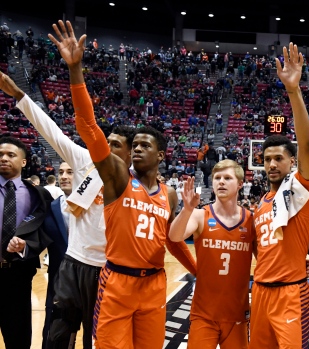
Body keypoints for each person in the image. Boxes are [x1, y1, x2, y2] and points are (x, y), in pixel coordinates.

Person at [0, 67, 196, 348]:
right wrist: (21, 96)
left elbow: (169, 237)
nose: (105, 146)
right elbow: (53, 131)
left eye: (115, 144)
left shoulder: (142, 185)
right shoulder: (85, 159)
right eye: (108, 141)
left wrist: (196, 269)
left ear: (129, 153)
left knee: (100, 340)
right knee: (58, 335)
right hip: (75, 262)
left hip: (111, 271)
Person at [48, 20, 195, 348]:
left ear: (161, 156)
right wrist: (75, 70)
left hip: (154, 285)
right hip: (116, 282)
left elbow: (172, 242)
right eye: (136, 144)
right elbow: (88, 126)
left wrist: (198, 270)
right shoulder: (115, 178)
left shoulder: (168, 194)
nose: (139, 148)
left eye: (146, 145)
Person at [249, 42, 309, 349]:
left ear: (291, 162)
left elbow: (306, 143)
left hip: (291, 293)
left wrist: (293, 91)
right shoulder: (258, 205)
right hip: (260, 291)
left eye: (279, 158)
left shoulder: (300, 191)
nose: (272, 164)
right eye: (267, 159)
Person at [169, 161, 255, 349]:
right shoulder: (200, 215)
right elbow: (174, 236)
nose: (221, 182)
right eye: (217, 178)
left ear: (240, 183)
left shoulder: (250, 220)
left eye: (227, 178)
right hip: (204, 313)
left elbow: (266, 257)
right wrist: (187, 209)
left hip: (237, 314)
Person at [0, 136, 53, 349]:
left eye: (10, 155)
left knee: (18, 337)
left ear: (23, 162)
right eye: (0, 155)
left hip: (18, 275)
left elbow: (44, 235)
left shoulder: (39, 195)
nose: (4, 158)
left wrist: (26, 248)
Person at [41, 162, 72, 349]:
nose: (64, 176)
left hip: (91, 282)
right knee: (53, 337)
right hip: (58, 283)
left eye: (70, 172)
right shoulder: (50, 207)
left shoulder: (98, 208)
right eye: (60, 172)